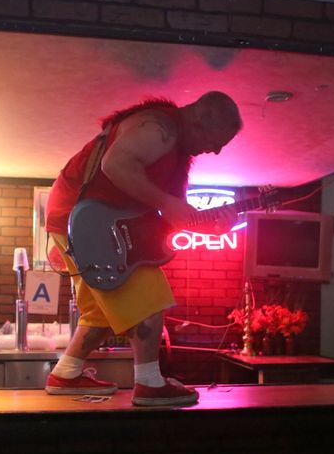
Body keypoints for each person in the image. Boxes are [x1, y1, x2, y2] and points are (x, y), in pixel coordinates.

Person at [43, 92, 242, 406]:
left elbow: (175, 214)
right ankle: (149, 383)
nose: (215, 150)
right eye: (216, 141)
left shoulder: (173, 147)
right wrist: (166, 202)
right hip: (84, 218)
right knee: (149, 295)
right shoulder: (159, 128)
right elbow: (115, 164)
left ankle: (66, 373)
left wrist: (213, 226)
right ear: (200, 121)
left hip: (79, 219)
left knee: (102, 311)